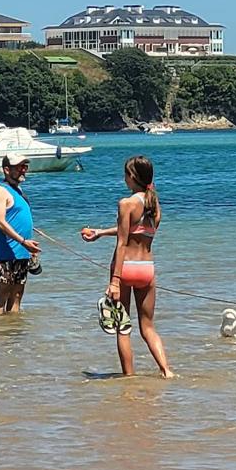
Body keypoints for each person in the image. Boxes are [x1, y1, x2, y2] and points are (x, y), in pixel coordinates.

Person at [82, 156, 173, 379]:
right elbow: (135, 230)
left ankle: (129, 378)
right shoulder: (154, 205)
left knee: (123, 329)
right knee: (148, 327)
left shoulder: (126, 203)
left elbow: (122, 242)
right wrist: (101, 232)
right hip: (146, 269)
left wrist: (114, 281)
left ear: (132, 177)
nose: (123, 179)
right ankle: (166, 370)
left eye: (125, 174)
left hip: (125, 270)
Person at [0, 154, 40, 315]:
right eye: (19, 167)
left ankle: (13, 334)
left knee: (17, 295)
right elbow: (0, 222)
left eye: (25, 167)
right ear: (6, 170)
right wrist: (23, 241)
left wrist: (29, 246)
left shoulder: (18, 190)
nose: (23, 170)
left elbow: (18, 218)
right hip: (7, 251)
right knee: (3, 296)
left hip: (23, 251)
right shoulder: (0, 191)